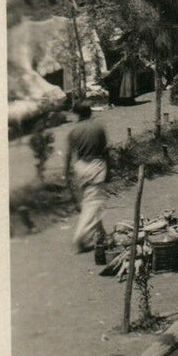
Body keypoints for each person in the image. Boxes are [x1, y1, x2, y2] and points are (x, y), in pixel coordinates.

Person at [65, 102, 109, 255]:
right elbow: (105, 151)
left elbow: (68, 156)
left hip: (81, 166)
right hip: (95, 165)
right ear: (90, 112)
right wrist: (110, 170)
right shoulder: (98, 128)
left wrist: (67, 176)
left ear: (77, 114)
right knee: (94, 203)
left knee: (90, 200)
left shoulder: (74, 131)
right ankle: (80, 238)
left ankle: (101, 235)